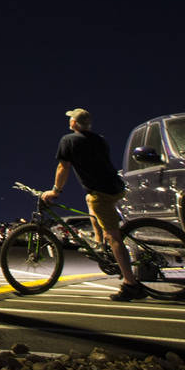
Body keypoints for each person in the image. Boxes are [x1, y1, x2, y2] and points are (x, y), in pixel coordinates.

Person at [41, 108, 147, 301]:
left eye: (71, 119)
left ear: (74, 123)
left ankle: (131, 284)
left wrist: (55, 191)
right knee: (89, 200)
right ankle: (100, 242)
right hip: (115, 187)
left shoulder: (68, 141)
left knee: (113, 236)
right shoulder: (100, 139)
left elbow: (63, 167)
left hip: (101, 192)